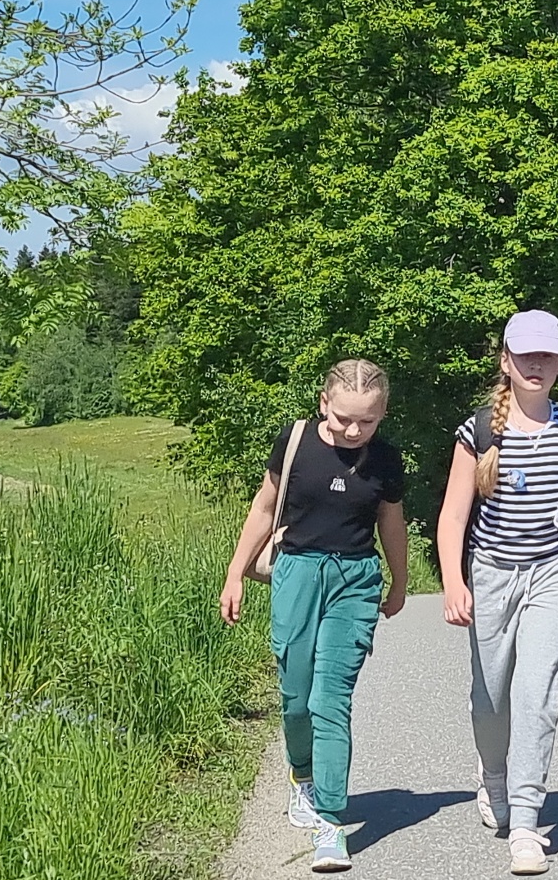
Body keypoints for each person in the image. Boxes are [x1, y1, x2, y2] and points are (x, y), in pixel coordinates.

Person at [220, 359, 410, 874]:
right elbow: (264, 508)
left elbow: (391, 522)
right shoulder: (295, 441)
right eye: (344, 417)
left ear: (383, 414)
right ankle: (301, 774)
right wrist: (235, 574)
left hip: (355, 580)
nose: (353, 430)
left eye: (367, 421)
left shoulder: (386, 459)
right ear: (324, 403)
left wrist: (399, 582)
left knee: (330, 699)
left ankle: (330, 821)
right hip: (297, 572)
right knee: (296, 694)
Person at [436, 311, 558, 875]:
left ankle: (528, 824)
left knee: (537, 693)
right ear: (505, 361)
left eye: (547, 355)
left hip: (556, 572)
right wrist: (454, 582)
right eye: (525, 355)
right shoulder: (480, 430)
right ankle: (494, 777)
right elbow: (453, 516)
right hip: (491, 572)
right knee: (490, 699)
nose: (536, 364)